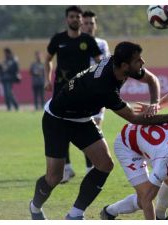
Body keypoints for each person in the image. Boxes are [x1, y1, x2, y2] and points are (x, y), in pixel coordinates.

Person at [29, 41, 168, 220]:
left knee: (105, 164)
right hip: (57, 120)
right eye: (138, 60)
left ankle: (75, 215)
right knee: (54, 177)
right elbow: (134, 118)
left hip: (81, 120)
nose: (142, 62)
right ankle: (35, 207)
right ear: (124, 65)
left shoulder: (119, 66)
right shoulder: (104, 87)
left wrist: (154, 104)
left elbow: (152, 80)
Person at [100, 93, 168, 220]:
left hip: (152, 146)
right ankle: (110, 211)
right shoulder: (164, 163)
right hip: (127, 145)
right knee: (144, 199)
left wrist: (155, 107)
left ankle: (160, 215)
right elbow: (147, 200)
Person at [43, 6, 102, 183]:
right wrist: (47, 78)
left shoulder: (88, 41)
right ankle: (66, 169)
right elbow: (47, 59)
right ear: (66, 19)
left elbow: (100, 62)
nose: (75, 19)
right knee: (61, 128)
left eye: (78, 16)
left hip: (83, 93)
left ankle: (90, 167)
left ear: (81, 19)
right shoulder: (58, 39)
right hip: (61, 93)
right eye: (72, 16)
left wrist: (99, 82)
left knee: (86, 126)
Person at [62, 10, 112, 180]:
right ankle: (67, 167)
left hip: (96, 96)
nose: (89, 26)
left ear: (95, 25)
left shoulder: (102, 44)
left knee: (93, 130)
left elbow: (106, 66)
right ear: (80, 24)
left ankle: (90, 168)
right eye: (86, 23)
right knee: (65, 130)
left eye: (92, 23)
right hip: (75, 94)